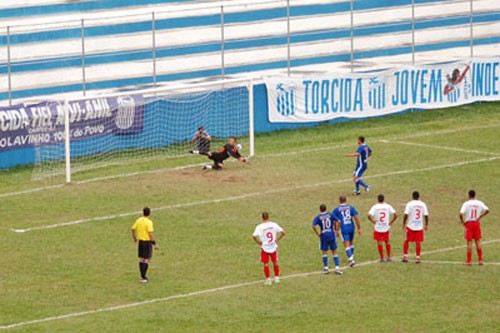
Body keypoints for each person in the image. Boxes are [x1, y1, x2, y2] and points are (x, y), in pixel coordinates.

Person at [252, 211, 285, 285]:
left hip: (265, 247)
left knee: (266, 263)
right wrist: (277, 240)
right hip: (273, 246)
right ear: (268, 217)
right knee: (275, 262)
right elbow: (283, 232)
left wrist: (258, 242)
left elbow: (254, 236)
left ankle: (268, 279)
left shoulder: (259, 227)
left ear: (262, 218)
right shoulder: (274, 224)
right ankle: (277, 278)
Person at [460, 190, 490, 266]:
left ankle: (469, 261)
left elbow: (461, 214)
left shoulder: (466, 203)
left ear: (469, 195)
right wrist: (480, 216)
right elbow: (487, 210)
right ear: (475, 195)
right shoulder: (479, 203)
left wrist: (463, 222)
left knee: (469, 242)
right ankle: (480, 260)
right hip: (476, 223)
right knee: (478, 241)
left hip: (469, 223)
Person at [312, 204, 343, 275]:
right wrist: (337, 230)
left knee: (324, 251)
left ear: (320, 210)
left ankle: (326, 268)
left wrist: (318, 233)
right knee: (334, 251)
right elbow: (339, 221)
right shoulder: (330, 214)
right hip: (331, 234)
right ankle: (337, 268)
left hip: (324, 235)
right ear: (326, 209)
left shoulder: (319, 217)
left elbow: (313, 226)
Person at [131, 207, 160, 283]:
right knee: (147, 259)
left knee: (141, 259)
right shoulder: (149, 222)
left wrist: (134, 238)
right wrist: (154, 244)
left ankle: (142, 276)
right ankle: (143, 277)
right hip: (147, 242)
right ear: (149, 214)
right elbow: (150, 233)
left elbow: (133, 229)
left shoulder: (139, 220)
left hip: (140, 242)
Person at [332, 196, 361, 267]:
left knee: (346, 243)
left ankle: (351, 260)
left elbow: (334, 221)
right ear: (346, 200)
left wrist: (336, 230)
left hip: (343, 228)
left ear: (339, 200)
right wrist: (359, 228)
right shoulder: (351, 207)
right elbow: (356, 217)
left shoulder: (336, 210)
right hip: (351, 226)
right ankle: (351, 257)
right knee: (351, 242)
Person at [368, 194, 398, 262]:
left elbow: (369, 215)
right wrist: (391, 222)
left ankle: (381, 257)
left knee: (379, 242)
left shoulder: (375, 207)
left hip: (378, 227)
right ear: (383, 199)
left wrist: (373, 221)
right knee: (387, 241)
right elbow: (396, 215)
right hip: (386, 227)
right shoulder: (388, 206)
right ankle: (389, 256)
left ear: (377, 199)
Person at [402, 191, 429, 264]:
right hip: (419, 226)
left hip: (410, 225)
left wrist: (404, 223)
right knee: (418, 242)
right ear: (418, 197)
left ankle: (405, 256)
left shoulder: (409, 204)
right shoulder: (423, 204)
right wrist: (426, 225)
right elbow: (426, 215)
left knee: (406, 240)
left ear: (412, 196)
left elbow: (406, 214)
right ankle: (417, 257)